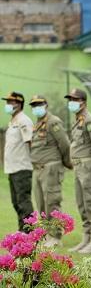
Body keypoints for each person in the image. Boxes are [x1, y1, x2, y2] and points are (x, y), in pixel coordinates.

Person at [65, 88, 91, 254]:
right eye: (70, 99)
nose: (71, 102)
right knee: (82, 203)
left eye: (74, 99)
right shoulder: (78, 120)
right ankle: (87, 237)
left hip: (88, 166)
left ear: (83, 101)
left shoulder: (89, 120)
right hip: (78, 166)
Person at [29, 95, 72, 247]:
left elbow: (65, 144)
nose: (36, 107)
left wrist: (67, 163)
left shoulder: (53, 122)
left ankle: (56, 236)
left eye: (39, 104)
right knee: (41, 204)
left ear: (46, 105)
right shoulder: (38, 124)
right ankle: (46, 235)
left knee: (52, 203)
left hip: (51, 168)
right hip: (37, 169)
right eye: (34, 105)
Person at [2, 92, 34, 232]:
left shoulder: (24, 120)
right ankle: (22, 230)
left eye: (11, 102)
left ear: (19, 104)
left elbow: (30, 142)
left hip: (22, 167)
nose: (8, 105)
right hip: (12, 168)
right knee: (16, 202)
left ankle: (30, 231)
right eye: (7, 102)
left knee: (23, 202)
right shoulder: (13, 121)